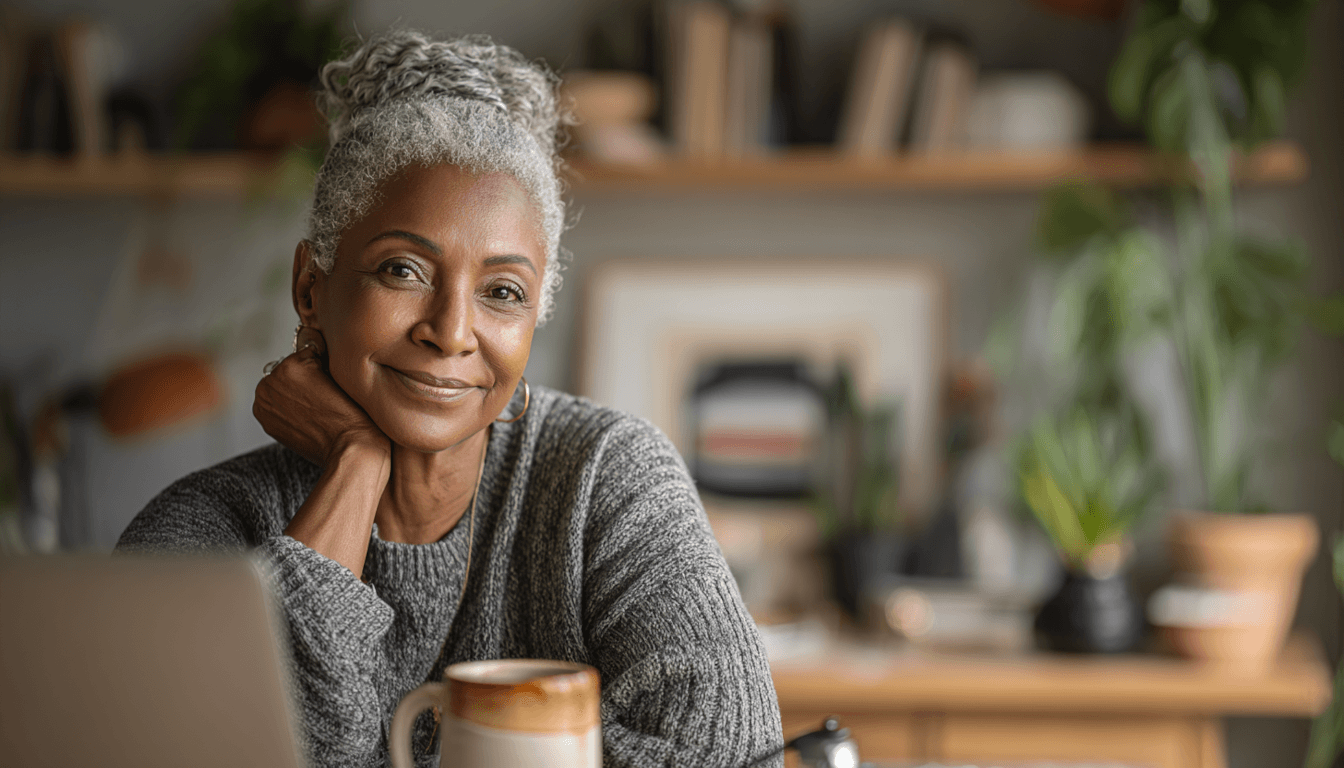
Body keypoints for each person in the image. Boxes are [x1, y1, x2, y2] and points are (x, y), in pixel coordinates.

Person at [117, 30, 784, 768]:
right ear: (312, 288)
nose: (451, 331)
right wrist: (357, 461)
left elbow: (732, 754)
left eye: (502, 292)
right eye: (403, 269)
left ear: (533, 320)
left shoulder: (606, 478)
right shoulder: (198, 541)